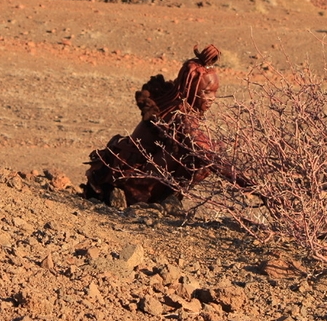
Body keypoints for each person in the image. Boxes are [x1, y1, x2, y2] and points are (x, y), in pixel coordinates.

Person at [83, 44, 226, 207]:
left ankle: (161, 199)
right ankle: (150, 201)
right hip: (129, 182)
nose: (212, 98)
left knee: (197, 152)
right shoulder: (179, 116)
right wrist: (248, 183)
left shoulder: (175, 102)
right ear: (189, 89)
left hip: (129, 173)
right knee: (202, 157)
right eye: (207, 92)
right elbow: (208, 154)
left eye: (215, 92)